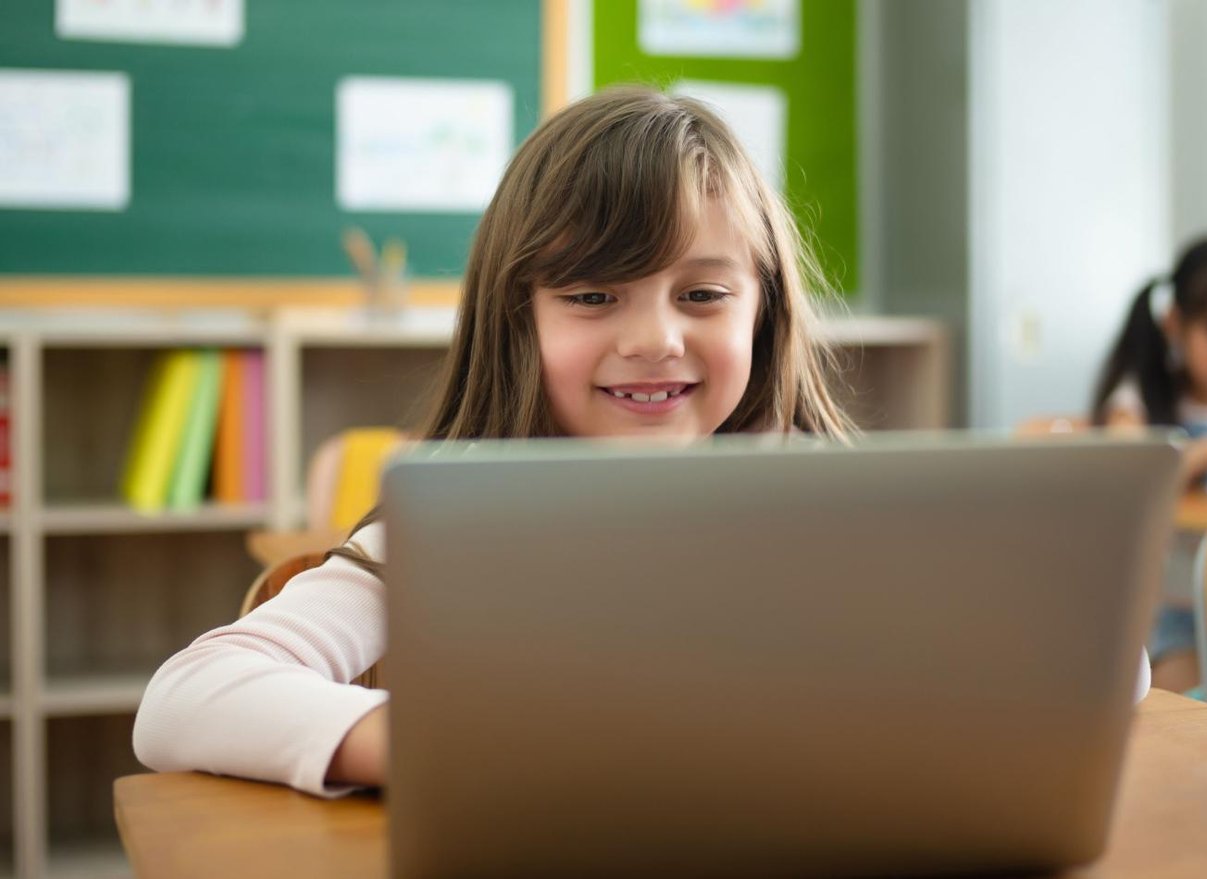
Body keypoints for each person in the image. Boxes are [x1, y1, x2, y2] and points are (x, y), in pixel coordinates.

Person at [132, 86, 856, 795]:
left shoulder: (839, 504)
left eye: (701, 295)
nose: (654, 341)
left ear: (764, 312)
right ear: (518, 318)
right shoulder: (456, 521)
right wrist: (456, 747)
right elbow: (188, 695)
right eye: (592, 296)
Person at [1092, 235, 1207, 692]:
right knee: (1194, 719)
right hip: (1175, 615)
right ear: (1175, 324)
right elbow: (1127, 474)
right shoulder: (1144, 397)